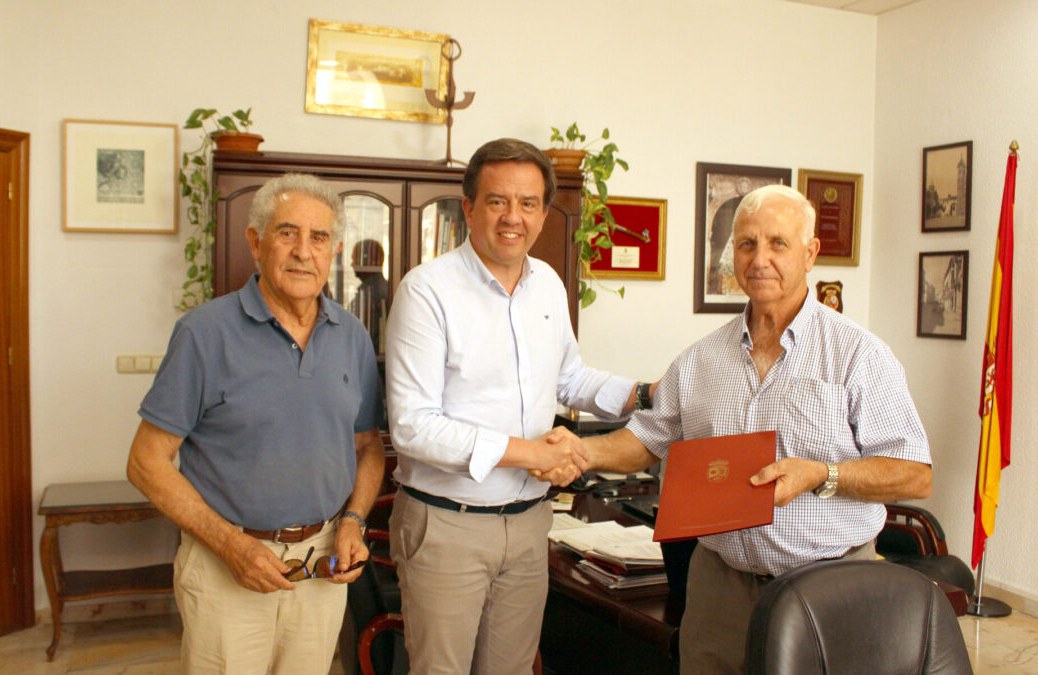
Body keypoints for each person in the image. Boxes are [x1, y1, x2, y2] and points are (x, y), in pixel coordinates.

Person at [544, 184, 933, 673]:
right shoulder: (701, 359)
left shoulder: (858, 355)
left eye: (778, 243)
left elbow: (915, 474)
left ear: (810, 254)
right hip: (720, 589)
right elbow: (645, 439)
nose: (759, 258)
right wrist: (582, 451)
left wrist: (821, 474)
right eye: (746, 243)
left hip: (828, 585)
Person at [383, 138, 654, 673]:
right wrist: (531, 452)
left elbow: (570, 377)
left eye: (528, 203)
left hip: (531, 523)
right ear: (468, 207)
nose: (514, 218)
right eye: (498, 201)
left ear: (544, 211)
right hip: (447, 526)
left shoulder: (548, 284)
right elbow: (413, 428)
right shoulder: (427, 291)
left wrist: (647, 394)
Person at [127, 173, 385, 673]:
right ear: (256, 243)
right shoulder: (203, 334)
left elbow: (367, 447)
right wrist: (229, 543)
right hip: (226, 565)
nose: (302, 252)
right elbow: (145, 462)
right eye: (287, 233)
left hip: (321, 567)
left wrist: (353, 520)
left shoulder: (352, 334)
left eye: (319, 238)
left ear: (334, 251)